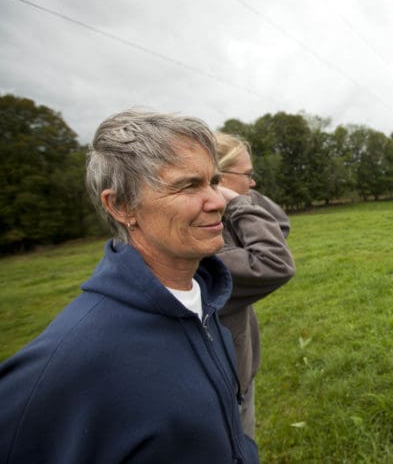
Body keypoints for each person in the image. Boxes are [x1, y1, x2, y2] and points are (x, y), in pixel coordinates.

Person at [0, 110, 259, 464]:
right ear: (121, 205)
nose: (217, 201)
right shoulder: (67, 361)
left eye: (213, 181)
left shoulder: (205, 299)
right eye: (188, 185)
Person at [214, 132, 295, 438]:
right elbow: (275, 263)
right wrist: (236, 202)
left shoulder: (231, 219)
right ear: (219, 178)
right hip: (222, 380)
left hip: (239, 370)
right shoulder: (206, 237)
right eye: (248, 175)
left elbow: (279, 224)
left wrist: (237, 200)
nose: (253, 183)